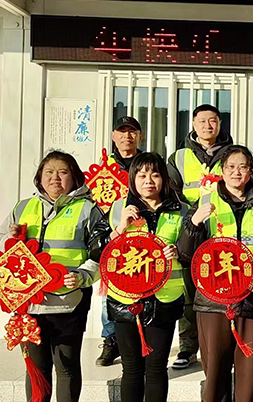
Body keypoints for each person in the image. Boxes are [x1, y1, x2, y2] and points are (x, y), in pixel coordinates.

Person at [177, 145, 253, 402]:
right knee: (215, 375)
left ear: (251, 171)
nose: (236, 172)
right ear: (222, 171)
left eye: (242, 167)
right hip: (213, 302)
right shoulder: (204, 203)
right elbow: (185, 253)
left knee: (250, 375)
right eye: (231, 167)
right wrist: (194, 223)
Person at [0, 151, 109, 402]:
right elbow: (2, 244)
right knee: (36, 370)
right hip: (29, 304)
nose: (55, 178)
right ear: (39, 178)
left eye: (62, 172)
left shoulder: (88, 209)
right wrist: (9, 237)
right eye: (48, 172)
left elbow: (101, 254)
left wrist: (82, 276)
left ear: (75, 177)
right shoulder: (23, 207)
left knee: (66, 367)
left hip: (68, 302)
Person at [105, 153, 188, 402]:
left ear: (164, 178)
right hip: (125, 299)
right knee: (131, 369)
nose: (148, 180)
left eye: (155, 174)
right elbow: (99, 250)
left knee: (156, 368)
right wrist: (120, 227)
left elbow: (192, 250)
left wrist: (178, 251)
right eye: (141, 175)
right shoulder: (118, 208)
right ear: (132, 178)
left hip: (164, 298)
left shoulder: (181, 209)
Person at [167, 104, 234, 370]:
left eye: (213, 120)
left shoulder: (232, 153)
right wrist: (193, 215)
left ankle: (226, 344)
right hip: (190, 229)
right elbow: (172, 192)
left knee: (226, 286)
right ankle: (188, 346)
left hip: (224, 228)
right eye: (202, 121)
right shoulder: (179, 157)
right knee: (189, 290)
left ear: (220, 123)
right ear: (193, 124)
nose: (208, 126)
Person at [97, 115, 145, 368]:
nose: (127, 136)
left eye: (132, 131)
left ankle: (142, 337)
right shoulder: (102, 168)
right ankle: (110, 339)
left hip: (142, 234)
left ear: (140, 136)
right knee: (111, 289)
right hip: (114, 233)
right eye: (122, 131)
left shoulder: (148, 164)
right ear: (113, 136)